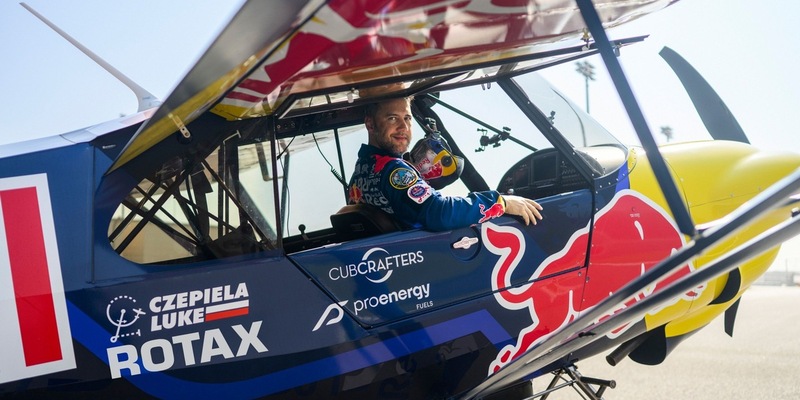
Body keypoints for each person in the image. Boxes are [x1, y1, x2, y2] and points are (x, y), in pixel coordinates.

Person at [346, 97, 543, 231]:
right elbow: (439, 212)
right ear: (370, 124)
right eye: (392, 118)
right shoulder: (393, 171)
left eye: (407, 118)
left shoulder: (361, 171)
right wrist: (501, 203)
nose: (403, 127)